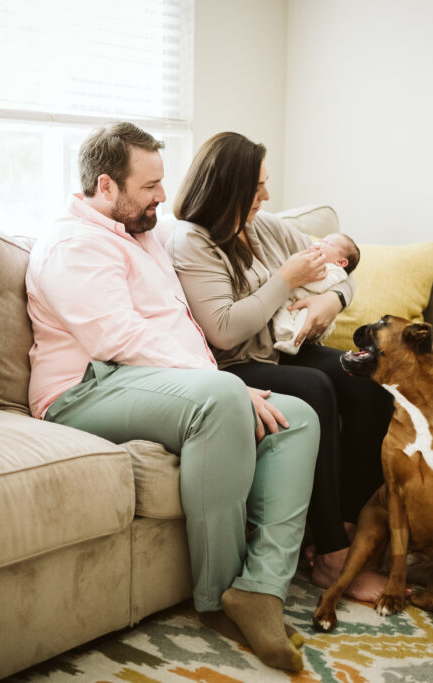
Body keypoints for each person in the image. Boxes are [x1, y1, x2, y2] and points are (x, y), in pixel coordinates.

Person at [25, 122, 319, 673]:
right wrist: (227, 385)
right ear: (106, 187)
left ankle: (259, 589)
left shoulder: (141, 233)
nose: (164, 195)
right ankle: (215, 598)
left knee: (297, 417)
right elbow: (118, 339)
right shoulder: (75, 244)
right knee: (223, 400)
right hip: (84, 389)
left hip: (150, 379)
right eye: (151, 185)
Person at [167, 132, 396, 602]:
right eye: (256, 188)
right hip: (234, 366)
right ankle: (332, 556)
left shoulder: (267, 226)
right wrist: (285, 280)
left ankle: (350, 524)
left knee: (369, 376)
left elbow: (339, 270)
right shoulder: (193, 242)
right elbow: (225, 331)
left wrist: (330, 301)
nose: (266, 197)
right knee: (315, 387)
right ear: (226, 188)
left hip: (283, 348)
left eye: (265, 185)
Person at [271, 233, 360, 355]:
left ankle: (292, 344)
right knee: (282, 310)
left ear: (341, 262)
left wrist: (297, 274)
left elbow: (320, 285)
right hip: (293, 302)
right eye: (321, 240)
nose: (319, 243)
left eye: (327, 243)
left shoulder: (336, 272)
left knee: (305, 318)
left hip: (310, 309)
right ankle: (283, 332)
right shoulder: (311, 259)